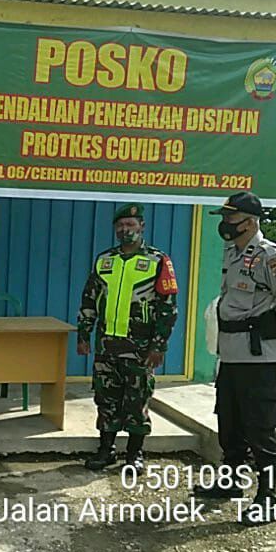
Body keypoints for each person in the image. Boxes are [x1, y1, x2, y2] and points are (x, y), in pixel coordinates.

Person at [192, 191, 276, 525]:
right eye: (224, 218)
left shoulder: (271, 258)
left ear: (250, 222)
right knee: (229, 422)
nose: (225, 224)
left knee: (260, 428)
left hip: (259, 357)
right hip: (232, 355)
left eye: (231, 218)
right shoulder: (232, 251)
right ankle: (230, 483)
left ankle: (267, 498)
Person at [76, 203, 178, 473]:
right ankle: (106, 450)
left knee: (137, 399)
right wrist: (84, 333)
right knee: (105, 398)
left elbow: (168, 307)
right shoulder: (104, 260)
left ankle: (134, 455)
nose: (125, 230)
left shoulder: (158, 261)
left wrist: (159, 345)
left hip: (140, 347)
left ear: (142, 227)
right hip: (107, 344)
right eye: (120, 226)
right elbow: (89, 298)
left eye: (131, 225)